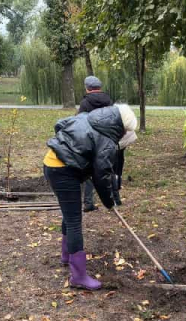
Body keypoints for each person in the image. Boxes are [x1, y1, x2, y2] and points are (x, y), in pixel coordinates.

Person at [44, 104, 138, 290]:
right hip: (63, 171)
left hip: (51, 162)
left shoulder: (88, 116)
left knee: (70, 213)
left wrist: (68, 148)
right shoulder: (107, 139)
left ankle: (67, 256)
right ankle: (78, 276)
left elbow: (60, 124)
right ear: (121, 125)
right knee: (74, 221)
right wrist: (109, 203)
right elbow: (101, 176)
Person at [77, 76, 113, 212]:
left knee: (88, 171)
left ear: (87, 87)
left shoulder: (85, 103)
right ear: (100, 87)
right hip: (106, 140)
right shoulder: (109, 101)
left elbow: (80, 121)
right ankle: (110, 198)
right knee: (105, 169)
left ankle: (88, 202)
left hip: (89, 140)